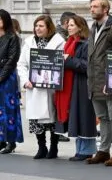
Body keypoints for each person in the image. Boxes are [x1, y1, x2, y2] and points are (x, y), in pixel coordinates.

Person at [18, 15, 65, 159]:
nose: (38, 29)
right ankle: (41, 147)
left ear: (48, 27)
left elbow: (62, 63)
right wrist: (26, 81)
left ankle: (54, 147)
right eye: (36, 26)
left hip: (52, 88)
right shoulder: (29, 42)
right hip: (34, 88)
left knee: (53, 118)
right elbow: (22, 64)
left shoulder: (59, 42)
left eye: (41, 26)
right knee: (36, 119)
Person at [86, 0, 112, 166]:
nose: (92, 9)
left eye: (95, 7)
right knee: (102, 117)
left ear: (105, 9)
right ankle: (103, 150)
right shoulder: (93, 27)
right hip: (94, 80)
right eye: (91, 6)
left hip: (108, 81)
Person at [54, 15, 97, 162]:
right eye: (68, 25)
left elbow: (87, 66)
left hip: (83, 85)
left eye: (72, 25)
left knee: (84, 118)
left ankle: (87, 150)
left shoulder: (85, 44)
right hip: (71, 84)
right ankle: (80, 149)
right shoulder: (69, 42)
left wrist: (68, 60)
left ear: (80, 27)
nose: (69, 27)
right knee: (76, 117)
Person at [0, 9, 23, 154]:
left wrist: (1, 76)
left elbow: (12, 60)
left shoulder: (12, 37)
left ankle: (11, 141)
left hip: (7, 77)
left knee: (8, 108)